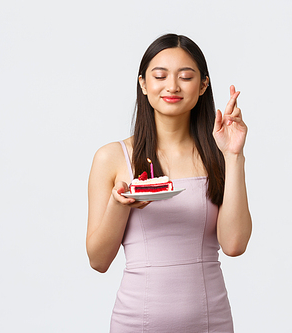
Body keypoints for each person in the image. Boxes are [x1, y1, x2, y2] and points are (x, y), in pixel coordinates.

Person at [86, 33, 252, 332]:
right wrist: (118, 203)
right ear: (143, 84)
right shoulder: (112, 157)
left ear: (203, 85)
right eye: (160, 75)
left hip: (211, 322)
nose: (172, 86)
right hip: (136, 323)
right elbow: (98, 260)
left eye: (186, 77)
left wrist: (234, 156)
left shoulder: (219, 155)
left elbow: (234, 244)